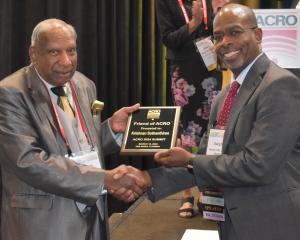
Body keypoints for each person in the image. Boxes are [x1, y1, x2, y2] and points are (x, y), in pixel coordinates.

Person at [115, 3, 300, 240]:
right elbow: (207, 159)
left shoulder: (279, 85)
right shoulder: (224, 96)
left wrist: (191, 159)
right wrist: (147, 178)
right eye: (218, 36)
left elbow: (258, 166)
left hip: (272, 222)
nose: (225, 42)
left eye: (235, 32)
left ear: (257, 35)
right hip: (234, 222)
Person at [0, 19, 147, 240]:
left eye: (71, 50)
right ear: (33, 53)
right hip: (43, 224)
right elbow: (28, 161)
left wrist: (111, 130)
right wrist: (105, 180)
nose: (66, 61)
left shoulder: (84, 84)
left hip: (92, 214)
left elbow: (80, 146)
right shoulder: (10, 93)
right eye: (54, 52)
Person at [155, 0, 227, 218]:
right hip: (184, 71)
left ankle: (208, 192)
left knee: (211, 129)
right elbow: (168, 39)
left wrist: (219, 13)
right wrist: (195, 22)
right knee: (188, 131)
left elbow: (219, 34)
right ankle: (186, 194)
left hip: (210, 68)